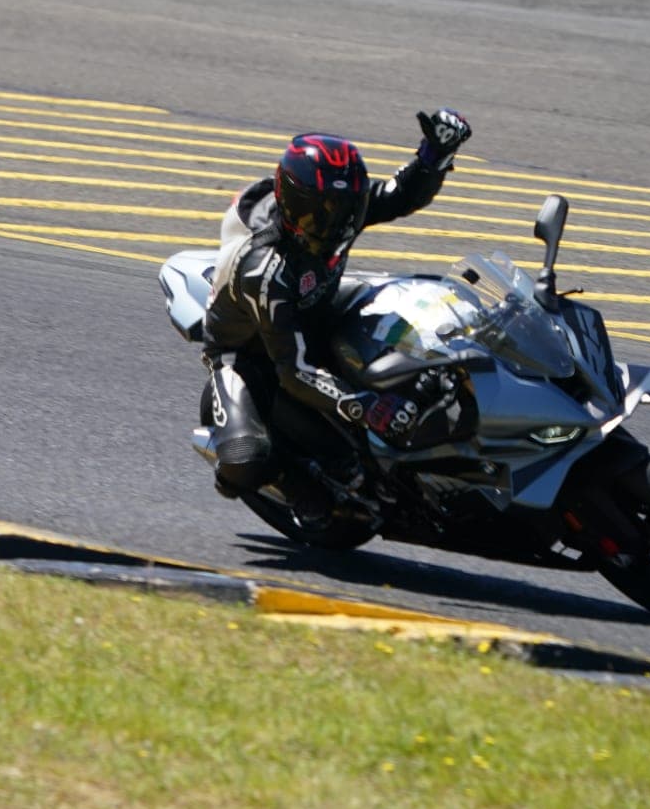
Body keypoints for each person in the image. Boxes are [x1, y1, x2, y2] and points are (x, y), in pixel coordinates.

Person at [200, 108, 472, 518]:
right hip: (255, 353)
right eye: (330, 211)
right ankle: (291, 481)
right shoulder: (267, 270)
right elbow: (295, 371)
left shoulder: (338, 210)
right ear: (297, 207)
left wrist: (434, 154)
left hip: (319, 310)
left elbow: (399, 196)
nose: (345, 221)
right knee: (245, 459)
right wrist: (368, 406)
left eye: (352, 205)